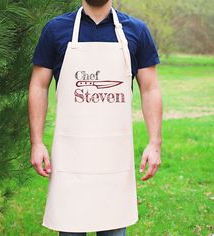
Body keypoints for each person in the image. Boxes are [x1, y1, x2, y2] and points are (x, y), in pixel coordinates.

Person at [28, 0, 162, 235]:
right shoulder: (55, 29)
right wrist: (36, 143)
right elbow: (38, 85)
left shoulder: (137, 31)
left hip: (114, 159)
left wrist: (154, 143)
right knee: (69, 228)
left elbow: (150, 89)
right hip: (70, 158)